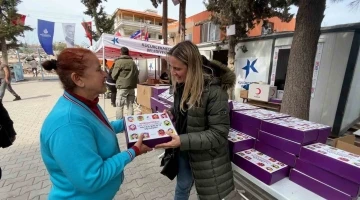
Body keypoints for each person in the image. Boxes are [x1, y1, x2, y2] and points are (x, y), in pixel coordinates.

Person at [40, 48, 151, 199]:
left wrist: (130, 122)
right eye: (99, 69)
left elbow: (97, 131)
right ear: (78, 79)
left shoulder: (86, 103)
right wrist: (133, 152)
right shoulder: (68, 124)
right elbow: (92, 178)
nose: (105, 74)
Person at [155, 41, 236, 200]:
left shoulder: (214, 91)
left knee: (206, 195)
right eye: (170, 66)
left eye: (177, 68)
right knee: (182, 186)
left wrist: (181, 140)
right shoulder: (182, 83)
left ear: (192, 68)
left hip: (207, 159)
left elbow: (218, 134)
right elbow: (186, 109)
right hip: (185, 149)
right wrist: (172, 112)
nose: (172, 72)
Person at [111, 47, 139, 119]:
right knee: (130, 105)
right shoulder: (133, 62)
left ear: (121, 53)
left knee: (120, 105)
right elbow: (137, 73)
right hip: (131, 87)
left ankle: (120, 124)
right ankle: (131, 123)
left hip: (122, 87)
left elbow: (113, 75)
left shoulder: (119, 62)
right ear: (128, 53)